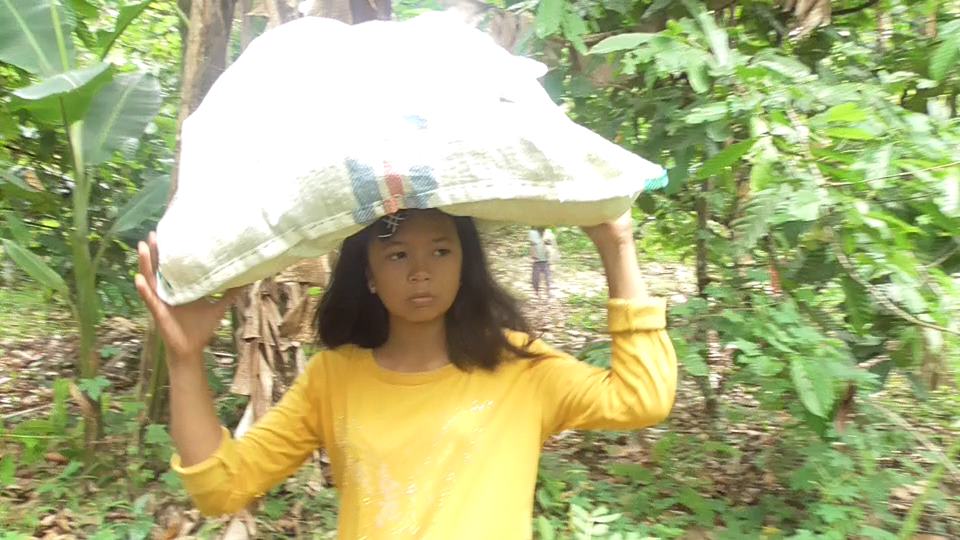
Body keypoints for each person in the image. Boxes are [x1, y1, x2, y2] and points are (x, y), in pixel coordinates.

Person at [135, 208, 676, 539]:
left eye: (440, 250)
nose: (421, 271)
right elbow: (222, 489)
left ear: (464, 265)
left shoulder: (517, 365)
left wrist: (617, 245)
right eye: (396, 255)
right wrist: (185, 359)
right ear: (368, 275)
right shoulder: (333, 378)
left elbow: (642, 398)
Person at [528, 226, 558, 299]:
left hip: (546, 261)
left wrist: (553, 259)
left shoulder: (549, 233)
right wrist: (532, 255)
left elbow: (553, 246)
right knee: (536, 279)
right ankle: (537, 293)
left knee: (548, 278)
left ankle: (548, 293)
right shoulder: (532, 233)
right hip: (537, 261)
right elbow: (531, 245)